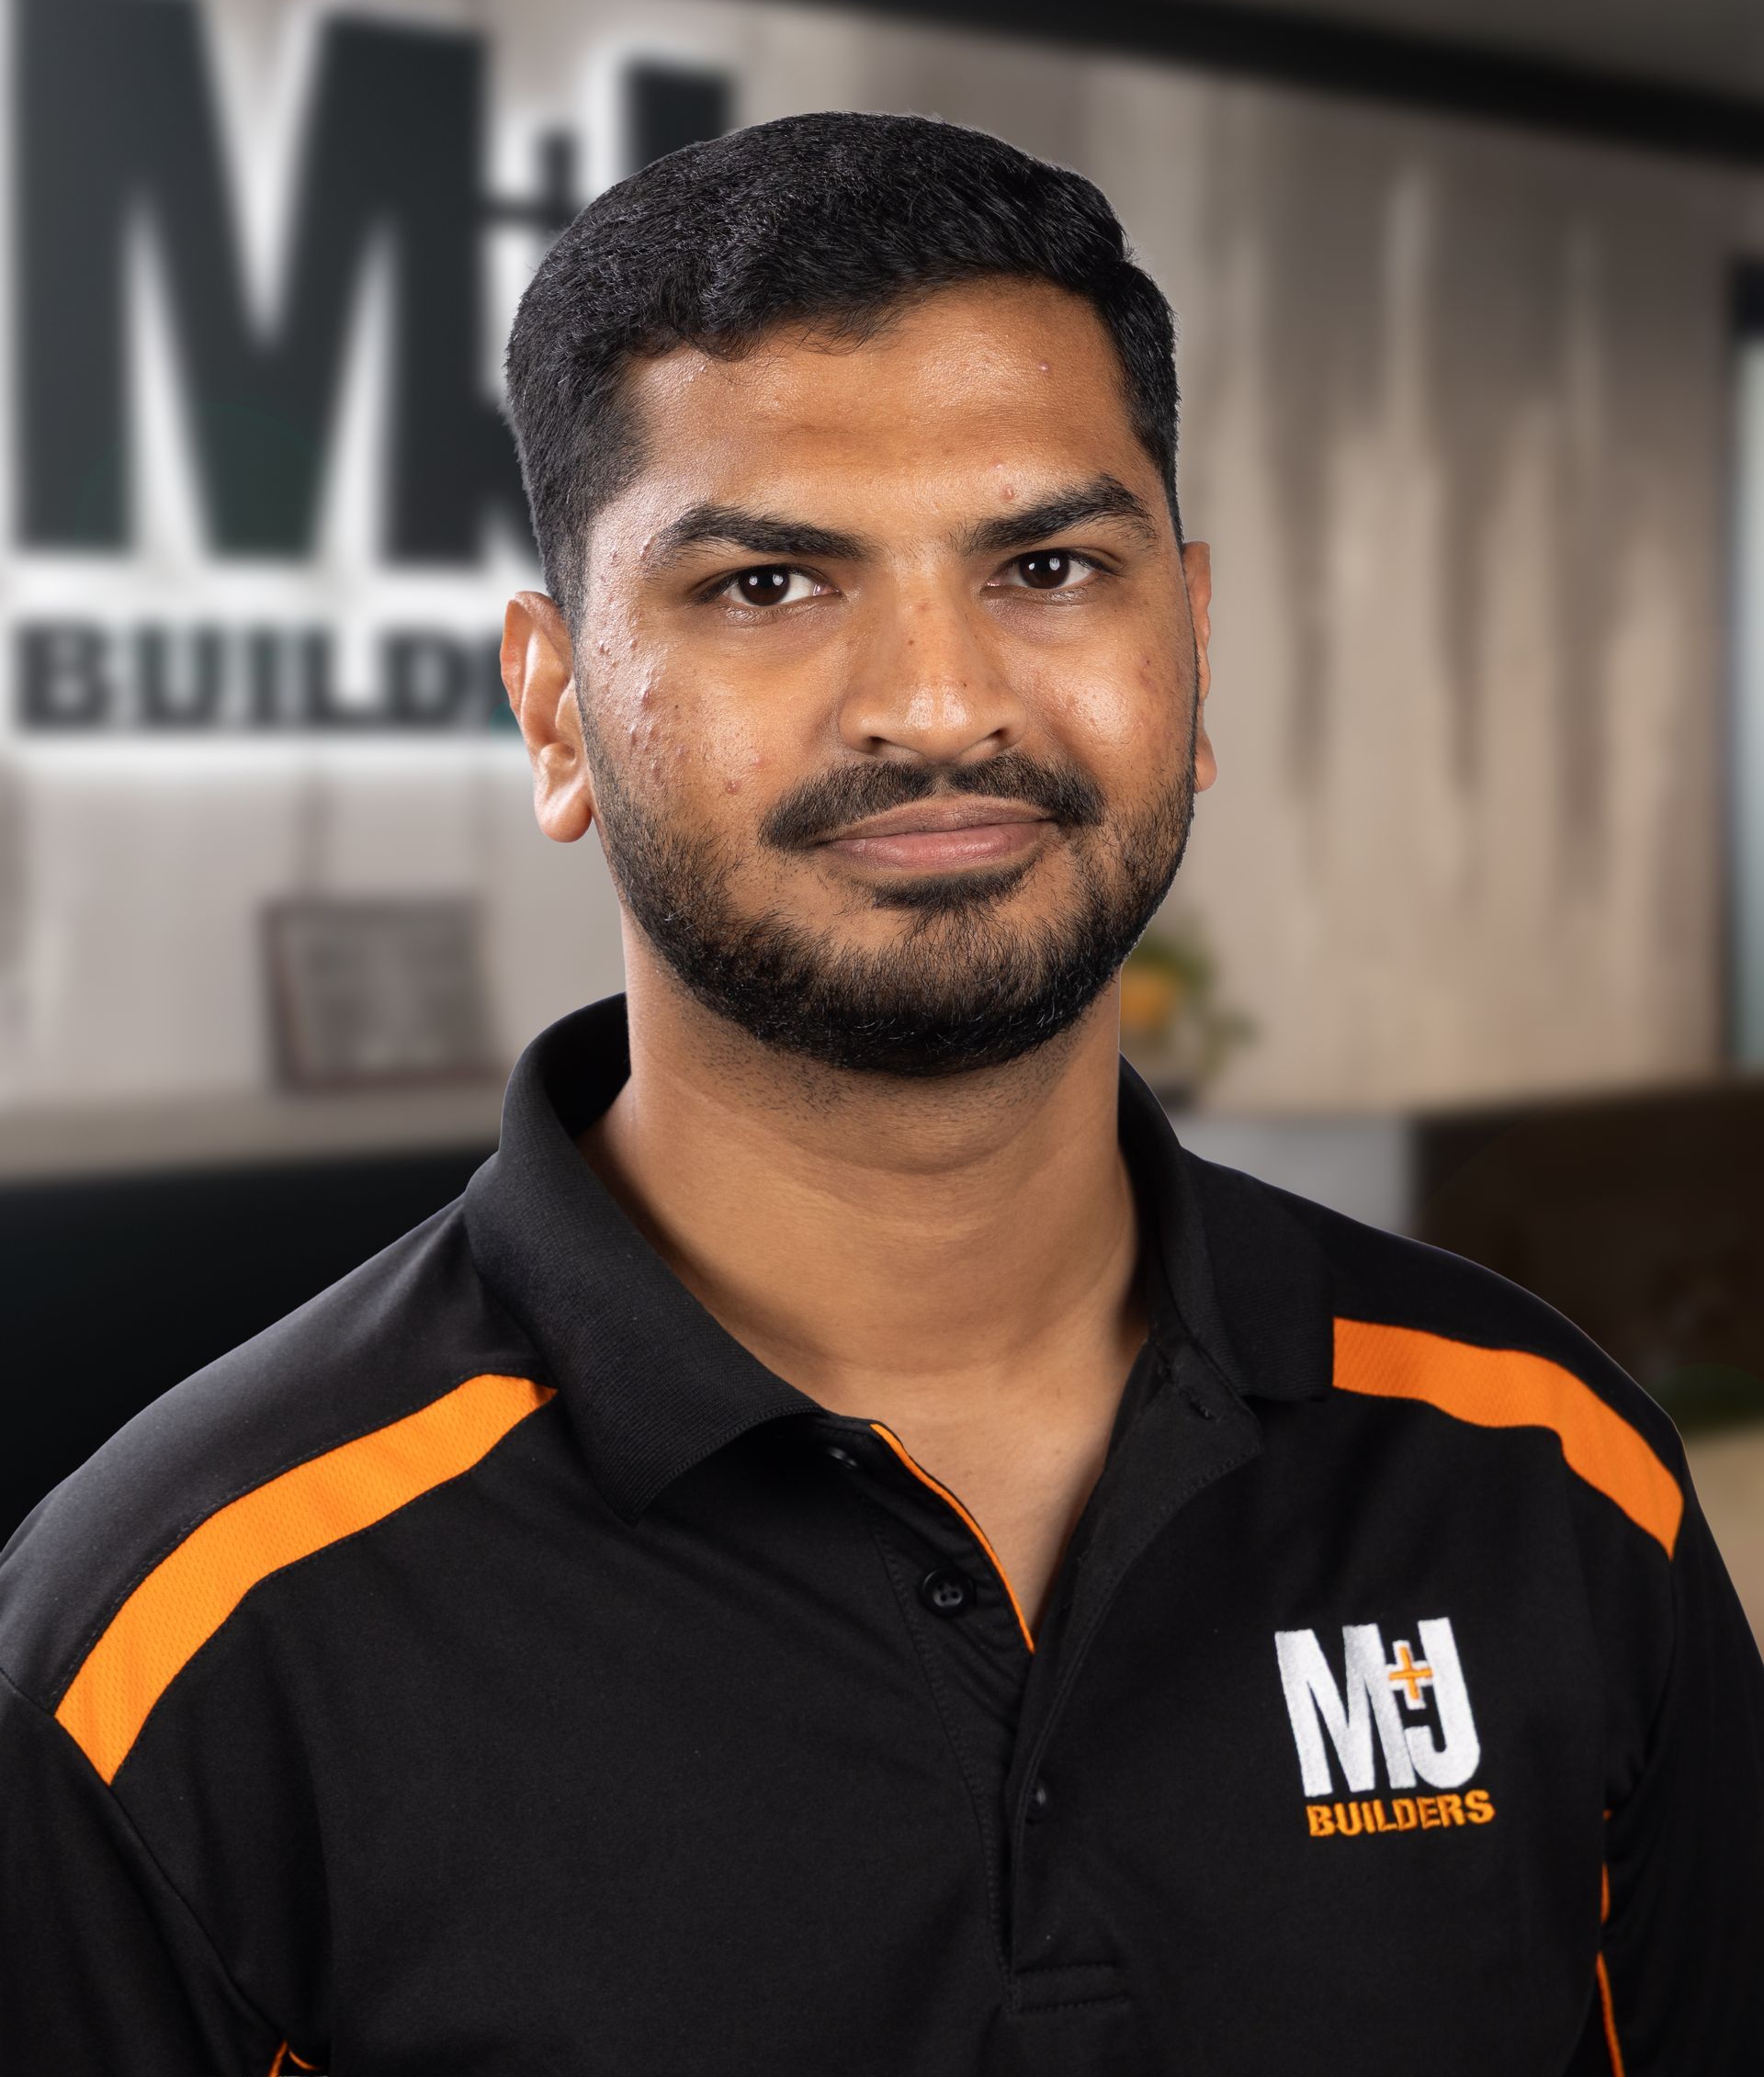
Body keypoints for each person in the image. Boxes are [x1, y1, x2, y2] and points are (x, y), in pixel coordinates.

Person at [1, 112, 1758, 2077]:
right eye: (765, 586)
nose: (936, 702)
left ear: (1194, 640)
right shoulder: (178, 1643)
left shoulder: (1546, 1474)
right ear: (557, 706)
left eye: (1045, 563)